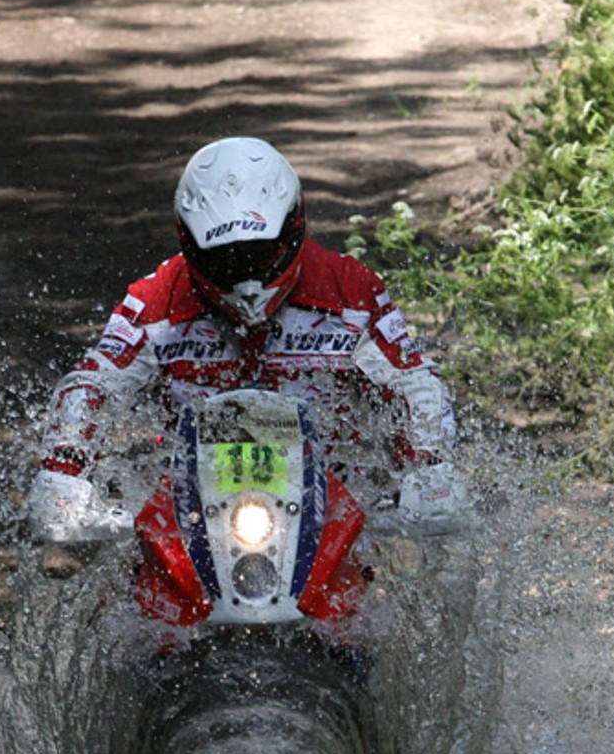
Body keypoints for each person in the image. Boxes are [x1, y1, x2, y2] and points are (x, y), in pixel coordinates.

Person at [26, 136, 468, 549]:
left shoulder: (350, 290)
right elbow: (93, 384)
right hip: (192, 516)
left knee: (380, 623)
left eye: (258, 255)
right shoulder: (157, 300)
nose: (247, 279)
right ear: (190, 244)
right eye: (225, 261)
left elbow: (414, 381)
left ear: (293, 227)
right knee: (135, 622)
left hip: (333, 512)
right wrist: (64, 471)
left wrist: (429, 469)